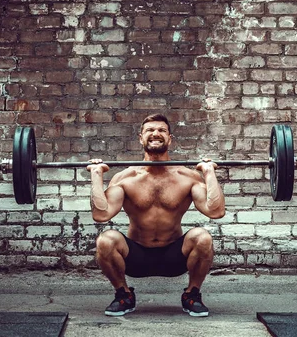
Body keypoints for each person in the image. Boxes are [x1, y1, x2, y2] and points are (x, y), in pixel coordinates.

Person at [86, 113, 226, 317]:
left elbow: (216, 211)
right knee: (105, 240)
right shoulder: (126, 178)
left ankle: (192, 294)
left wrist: (209, 172)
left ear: (170, 138)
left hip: (174, 256)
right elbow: (101, 214)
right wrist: (97, 175)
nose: (156, 133)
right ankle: (123, 294)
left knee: (203, 237)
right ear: (140, 138)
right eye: (150, 130)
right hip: (136, 257)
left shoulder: (187, 177)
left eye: (162, 130)